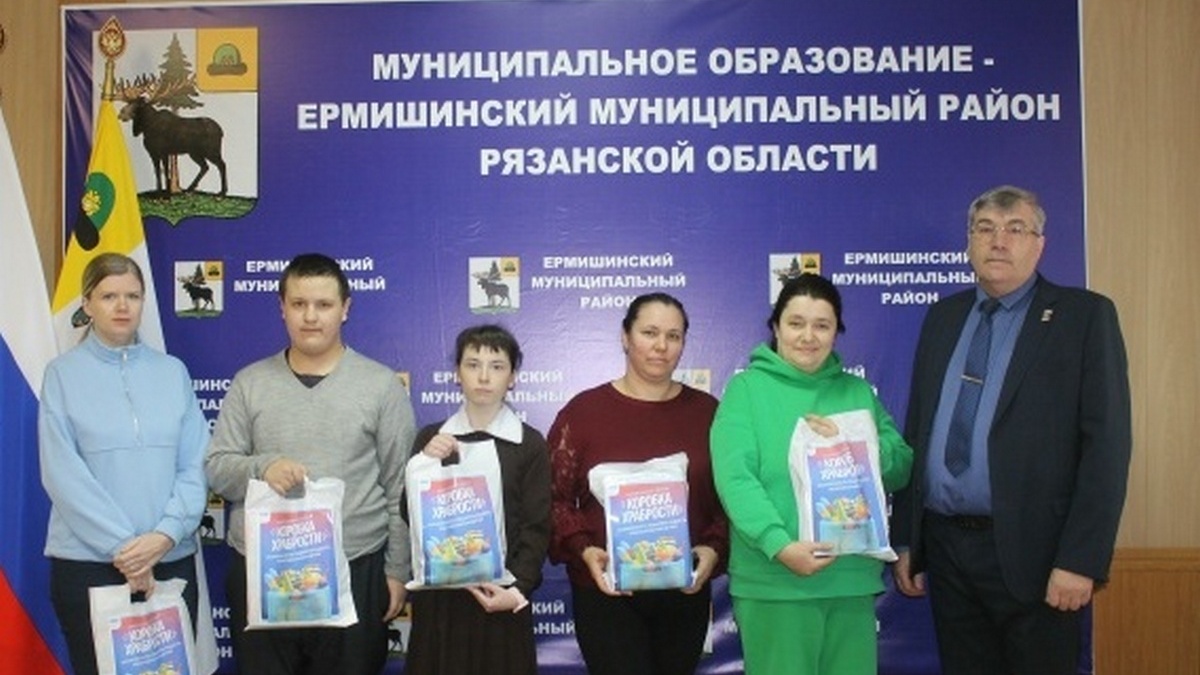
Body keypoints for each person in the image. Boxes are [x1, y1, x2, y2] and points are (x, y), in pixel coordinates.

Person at [890, 185, 1132, 675]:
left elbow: (1106, 447)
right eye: (985, 229)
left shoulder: (1084, 317)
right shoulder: (943, 317)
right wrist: (908, 539)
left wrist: (1081, 559)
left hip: (1038, 555)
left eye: (1015, 229)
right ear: (969, 243)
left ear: (1039, 244)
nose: (998, 241)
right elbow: (919, 429)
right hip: (947, 549)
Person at [205, 253, 416, 675]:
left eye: (324, 304)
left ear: (345, 308)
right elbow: (218, 469)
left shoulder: (381, 386)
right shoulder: (250, 383)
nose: (311, 316)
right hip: (264, 572)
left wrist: (396, 570)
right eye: (299, 304)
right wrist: (262, 468)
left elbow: (400, 489)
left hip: (354, 569)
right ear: (282, 307)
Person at [709, 273, 913, 675]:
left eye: (822, 325)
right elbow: (736, 480)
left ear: (837, 332)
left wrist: (856, 441)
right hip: (774, 579)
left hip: (851, 579)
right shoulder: (746, 391)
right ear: (776, 327)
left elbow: (900, 468)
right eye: (796, 323)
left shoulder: (857, 393)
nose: (808, 336)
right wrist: (779, 544)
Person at [39, 252, 209, 675]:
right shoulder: (62, 374)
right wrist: (126, 552)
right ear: (87, 303)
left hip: (169, 558)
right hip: (88, 565)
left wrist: (165, 535)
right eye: (108, 296)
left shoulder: (173, 372)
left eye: (132, 296)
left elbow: (195, 463)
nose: (122, 306)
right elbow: (63, 475)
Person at [548, 292, 728, 675]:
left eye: (673, 336)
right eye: (650, 332)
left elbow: (731, 498)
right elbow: (553, 499)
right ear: (625, 336)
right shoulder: (583, 412)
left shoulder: (709, 413)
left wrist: (714, 549)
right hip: (606, 592)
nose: (661, 346)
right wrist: (584, 550)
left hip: (684, 591)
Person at [403, 324, 551, 675]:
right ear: (457, 373)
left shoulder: (529, 443)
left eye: (497, 366)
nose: (484, 377)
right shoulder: (432, 437)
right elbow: (409, 515)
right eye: (472, 364)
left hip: (502, 597)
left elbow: (537, 527)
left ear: (512, 377)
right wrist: (424, 462)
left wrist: (517, 590)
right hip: (440, 601)